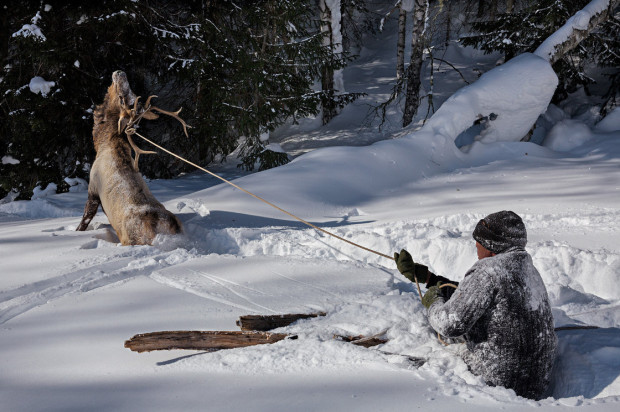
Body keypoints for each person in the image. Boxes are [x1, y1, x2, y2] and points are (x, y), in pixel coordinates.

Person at [395, 210, 557, 400]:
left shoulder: (488, 270)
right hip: (536, 381)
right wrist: (431, 279)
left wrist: (433, 300)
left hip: (498, 384)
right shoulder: (525, 267)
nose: (476, 247)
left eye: (478, 242)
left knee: (410, 366)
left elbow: (450, 324)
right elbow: (477, 296)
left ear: (491, 246)